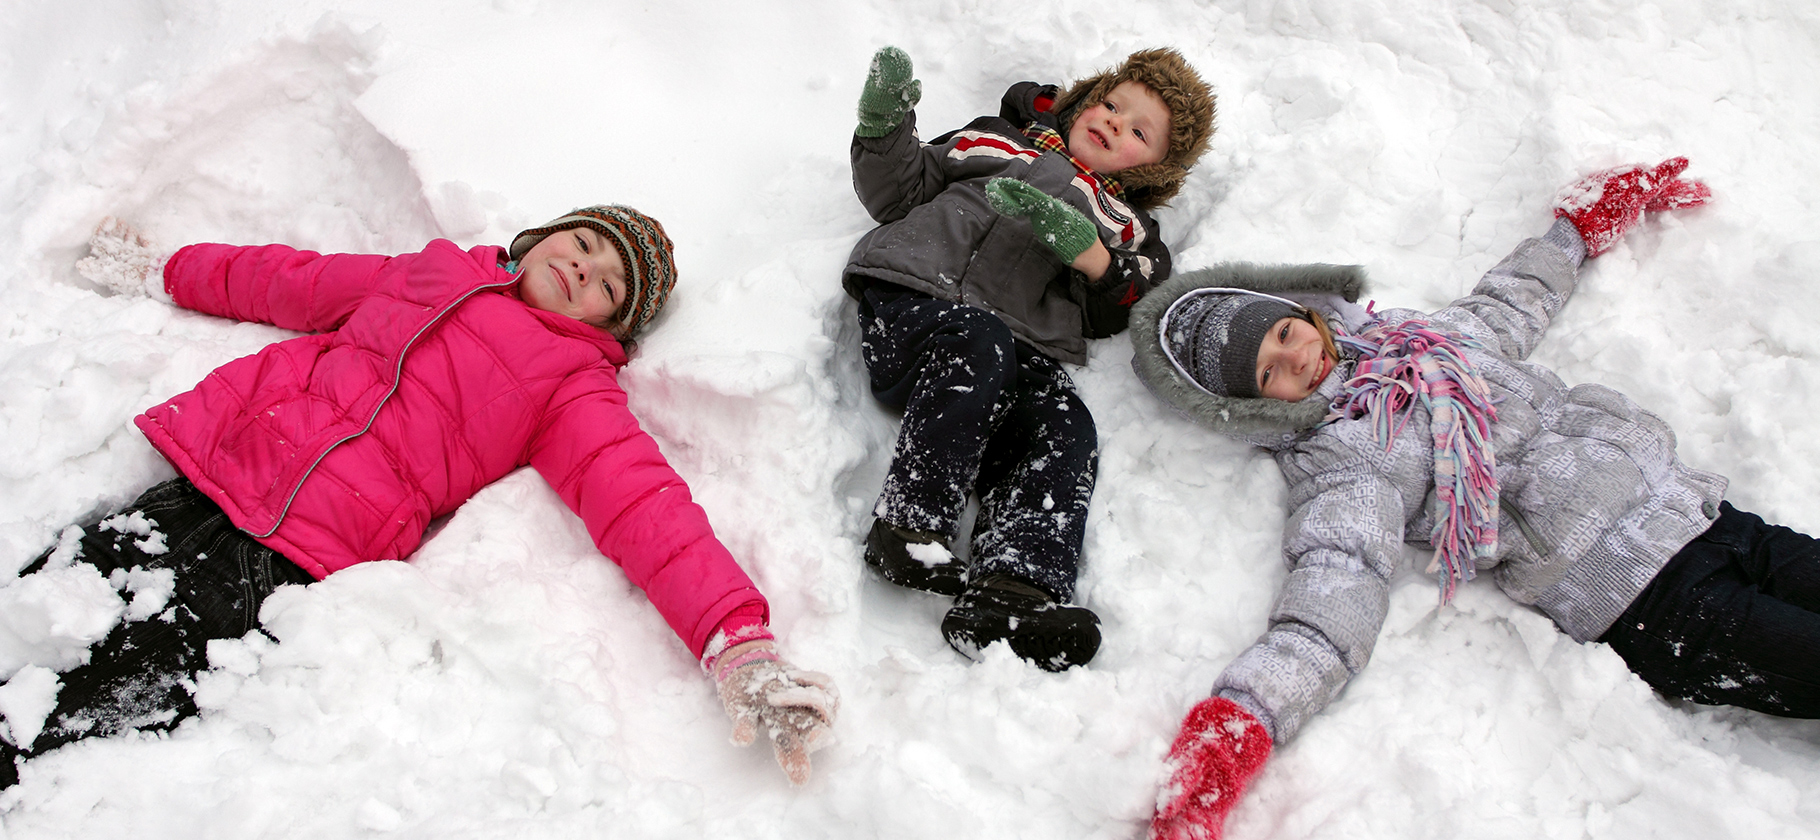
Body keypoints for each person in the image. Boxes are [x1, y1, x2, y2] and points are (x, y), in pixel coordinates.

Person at [1, 208, 838, 791]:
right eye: (585, 242)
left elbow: (644, 506)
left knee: (142, 673)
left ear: (611, 328)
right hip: (221, 461)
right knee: (67, 584)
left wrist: (739, 643)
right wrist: (168, 270)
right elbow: (289, 281)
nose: (585, 265)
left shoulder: (573, 386)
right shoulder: (427, 274)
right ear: (542, 236)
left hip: (300, 549)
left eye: (608, 284)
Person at [1127, 158, 1819, 839]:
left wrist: (1575, 231)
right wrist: (1237, 727)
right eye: (1267, 374)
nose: (1295, 359)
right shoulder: (1343, 461)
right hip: (1651, 601)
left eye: (1282, 334)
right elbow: (1334, 595)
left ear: (1300, 311)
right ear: (1251, 408)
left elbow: (1512, 299)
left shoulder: (1424, 338)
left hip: (1707, 516)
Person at [843, 45, 1215, 670]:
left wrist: (1088, 253)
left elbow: (1127, 301)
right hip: (917, 307)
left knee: (1064, 426)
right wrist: (883, 129)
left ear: (1152, 169)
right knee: (977, 340)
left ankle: (1013, 593)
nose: (1113, 122)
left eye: (1138, 131)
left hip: (1020, 349)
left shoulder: (1125, 226)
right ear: (1086, 97)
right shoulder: (993, 142)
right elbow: (901, 191)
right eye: (1111, 103)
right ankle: (909, 525)